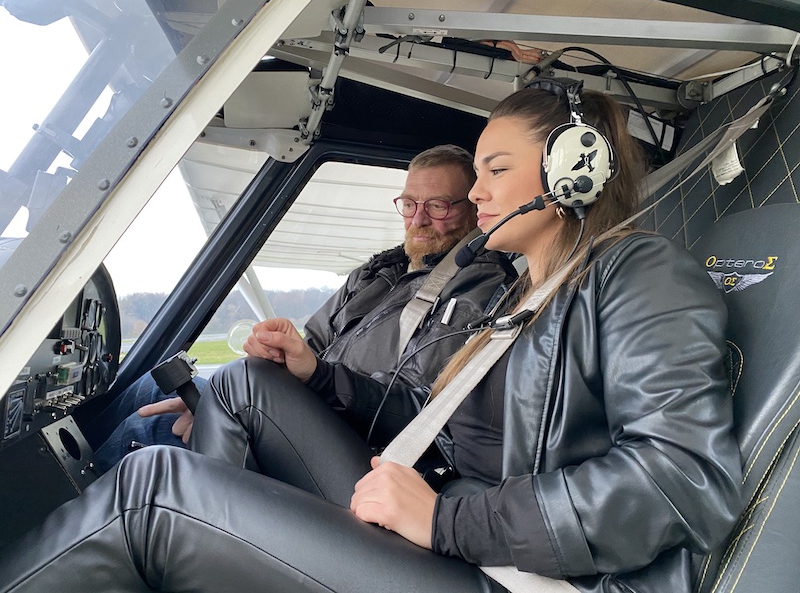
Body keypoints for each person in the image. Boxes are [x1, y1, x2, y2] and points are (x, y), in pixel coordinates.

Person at [0, 82, 742, 593]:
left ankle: (175, 540)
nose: (478, 192)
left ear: (573, 174)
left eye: (496, 169)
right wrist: (320, 377)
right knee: (246, 383)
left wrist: (445, 518)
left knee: (149, 491)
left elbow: (685, 482)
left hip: (530, 577)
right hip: (464, 526)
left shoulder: (641, 273)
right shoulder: (524, 293)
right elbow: (441, 428)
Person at [85, 144, 516, 470]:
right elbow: (311, 343)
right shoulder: (378, 273)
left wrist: (245, 406)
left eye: (437, 206)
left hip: (344, 443)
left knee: (145, 431)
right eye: (409, 203)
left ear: (472, 207)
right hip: (302, 404)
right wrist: (242, 381)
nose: (418, 218)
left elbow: (410, 410)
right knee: (150, 385)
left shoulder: (479, 288)